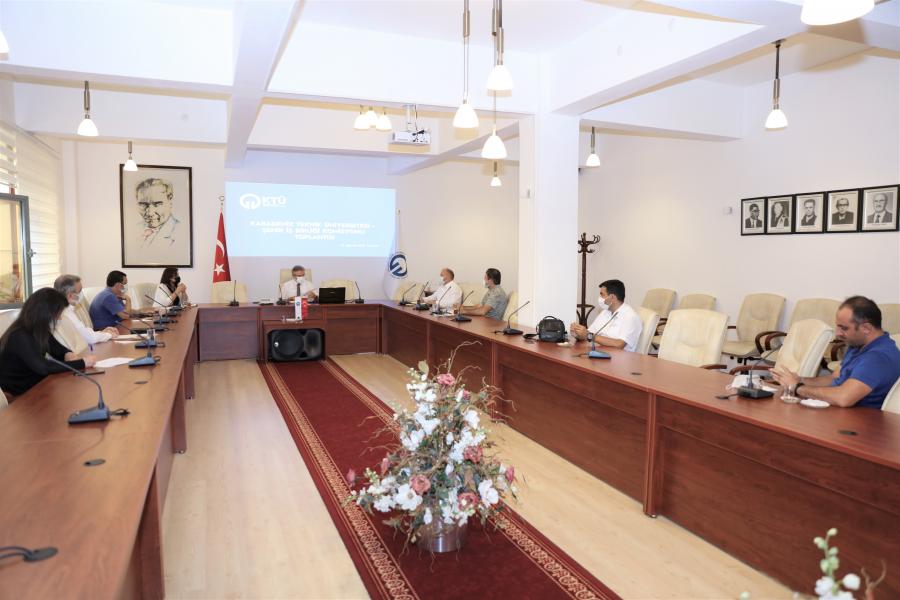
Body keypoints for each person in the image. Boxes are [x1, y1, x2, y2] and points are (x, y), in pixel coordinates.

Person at [772, 296, 900, 409]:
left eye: (844, 328)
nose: (838, 333)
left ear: (866, 328)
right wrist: (799, 379)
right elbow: (834, 378)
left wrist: (797, 387)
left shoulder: (878, 357)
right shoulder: (858, 344)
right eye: (838, 326)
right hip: (839, 411)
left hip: (859, 421)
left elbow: (843, 398)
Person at [0, 288, 96, 397]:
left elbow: (56, 348)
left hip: (36, 384)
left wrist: (67, 353)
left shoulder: (38, 330)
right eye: (58, 313)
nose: (59, 318)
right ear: (45, 312)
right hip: (18, 394)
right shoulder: (20, 335)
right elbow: (43, 367)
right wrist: (83, 363)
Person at [568, 279, 643, 352]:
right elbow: (589, 334)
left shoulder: (631, 317)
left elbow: (619, 344)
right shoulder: (605, 312)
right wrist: (578, 333)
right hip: (600, 353)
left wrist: (588, 335)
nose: (599, 298)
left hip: (619, 358)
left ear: (612, 297)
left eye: (602, 295)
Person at [53, 274, 119, 351]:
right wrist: (109, 335)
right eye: (80, 291)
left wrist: (102, 333)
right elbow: (90, 338)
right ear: (70, 296)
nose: (82, 294)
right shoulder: (65, 313)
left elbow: (84, 332)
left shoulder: (65, 309)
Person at [136, 178, 180, 247]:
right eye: (143, 204)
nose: (150, 213)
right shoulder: (134, 229)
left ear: (170, 200)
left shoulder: (180, 231)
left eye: (157, 204)